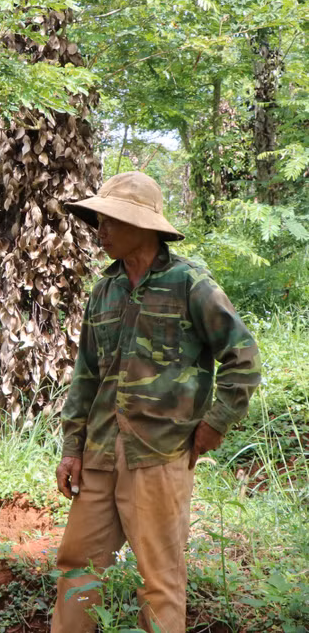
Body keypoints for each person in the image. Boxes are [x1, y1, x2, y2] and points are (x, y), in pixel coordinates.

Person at [51, 172, 261, 633]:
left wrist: (215, 425)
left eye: (110, 221)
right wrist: (72, 447)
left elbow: (242, 357)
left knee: (160, 579)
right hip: (101, 453)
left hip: (161, 456)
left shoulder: (190, 284)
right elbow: (86, 376)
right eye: (98, 220)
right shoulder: (104, 291)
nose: (99, 231)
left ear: (143, 225)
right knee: (76, 568)